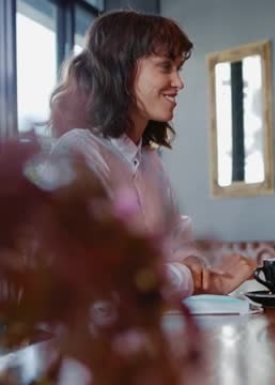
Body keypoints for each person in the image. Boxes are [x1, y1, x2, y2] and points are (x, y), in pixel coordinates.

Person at [49, 10, 255, 298]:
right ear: (122, 70)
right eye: (165, 67)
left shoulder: (149, 163)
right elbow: (101, 277)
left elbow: (176, 244)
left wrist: (195, 264)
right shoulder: (79, 152)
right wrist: (189, 277)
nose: (179, 82)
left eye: (179, 68)